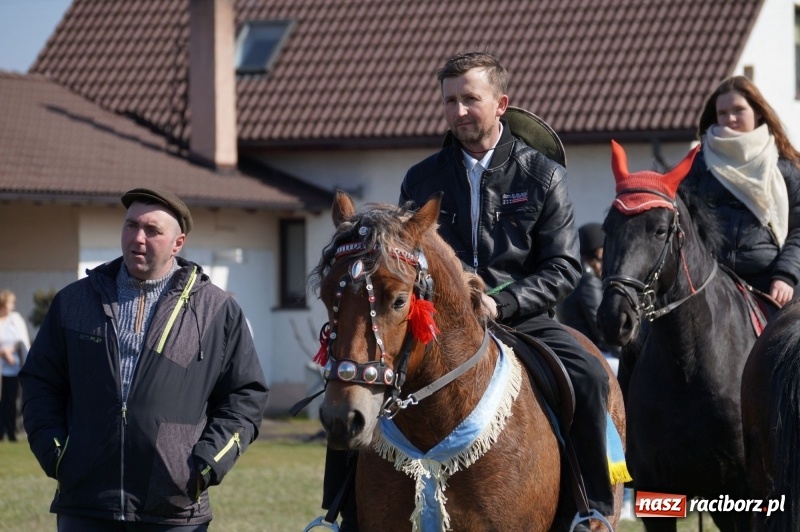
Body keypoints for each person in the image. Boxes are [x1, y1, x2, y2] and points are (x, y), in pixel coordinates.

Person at [318, 51, 612, 530]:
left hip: (521, 318)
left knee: (590, 375)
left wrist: (503, 302)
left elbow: (562, 267)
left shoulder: (543, 175)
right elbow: (403, 257)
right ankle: (337, 514)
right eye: (449, 101)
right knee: (353, 376)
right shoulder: (421, 177)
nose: (458, 111)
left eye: (469, 99)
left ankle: (591, 510)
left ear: (500, 103)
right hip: (437, 324)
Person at [20, 188, 269, 531]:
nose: (138, 238)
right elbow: (40, 382)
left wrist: (206, 465)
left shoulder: (216, 311)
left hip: (174, 509)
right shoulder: (74, 302)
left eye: (152, 230)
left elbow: (245, 397)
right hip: (86, 504)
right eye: (131, 225)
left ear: (177, 243)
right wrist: (57, 453)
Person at [679, 76, 800, 306]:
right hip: (710, 282)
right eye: (722, 113)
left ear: (759, 112)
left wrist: (786, 275)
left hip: (772, 282)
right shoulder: (699, 164)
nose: (730, 118)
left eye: (738, 110)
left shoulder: (784, 165)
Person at [556, 223, 621, 374]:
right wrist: (626, 356)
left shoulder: (573, 277)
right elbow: (603, 329)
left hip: (580, 351)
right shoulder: (588, 282)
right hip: (594, 354)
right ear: (600, 252)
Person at [0, 289, 31, 442]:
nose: (12, 305)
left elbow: (22, 340)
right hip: (1, 366)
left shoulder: (15, 319)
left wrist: (10, 351)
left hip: (12, 368)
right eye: (10, 302)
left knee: (11, 400)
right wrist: (3, 352)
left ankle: (11, 431)